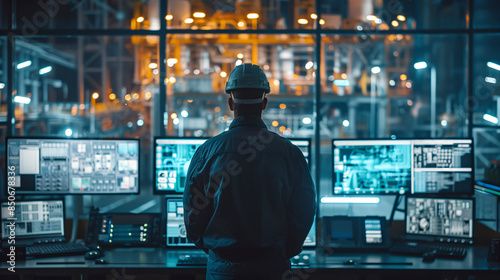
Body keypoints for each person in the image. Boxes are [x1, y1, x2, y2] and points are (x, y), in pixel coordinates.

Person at [183, 63, 316, 280]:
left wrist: (217, 252)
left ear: (230, 103)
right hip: (272, 269)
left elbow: (193, 214)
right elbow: (304, 210)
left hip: (222, 270)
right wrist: (283, 252)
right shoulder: (289, 153)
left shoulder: (206, 153)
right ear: (264, 103)